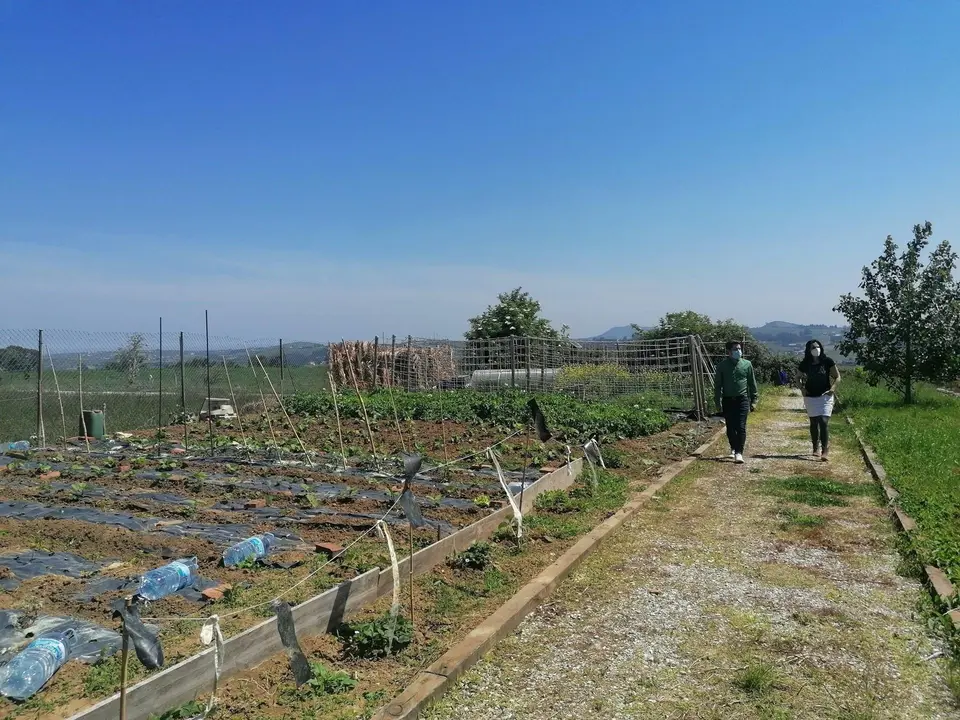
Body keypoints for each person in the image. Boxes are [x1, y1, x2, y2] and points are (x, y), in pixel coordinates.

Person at [714, 341, 758, 464]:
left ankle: (739, 452)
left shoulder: (747, 364)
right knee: (730, 427)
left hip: (742, 399)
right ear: (728, 352)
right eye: (735, 349)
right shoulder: (722, 366)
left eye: (739, 349)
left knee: (741, 426)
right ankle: (733, 447)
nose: (738, 351)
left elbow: (752, 383)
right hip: (728, 400)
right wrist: (717, 403)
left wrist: (754, 400)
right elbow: (718, 385)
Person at [798, 339, 840, 461]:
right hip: (811, 396)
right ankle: (815, 447)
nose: (816, 349)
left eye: (817, 346)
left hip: (825, 396)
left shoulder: (827, 362)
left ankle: (825, 449)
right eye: (813, 347)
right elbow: (798, 377)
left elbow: (837, 377)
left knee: (823, 421)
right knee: (814, 422)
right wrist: (802, 389)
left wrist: (833, 388)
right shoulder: (805, 363)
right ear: (808, 350)